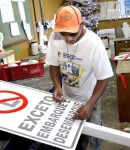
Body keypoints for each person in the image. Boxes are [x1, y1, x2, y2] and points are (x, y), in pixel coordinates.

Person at [45, 5, 114, 150]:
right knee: (73, 134)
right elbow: (54, 65)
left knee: (94, 133)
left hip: (90, 96)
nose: (68, 38)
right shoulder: (55, 37)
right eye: (64, 34)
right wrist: (58, 86)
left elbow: (103, 79)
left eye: (72, 34)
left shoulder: (94, 43)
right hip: (68, 96)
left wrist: (89, 105)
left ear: (81, 25)